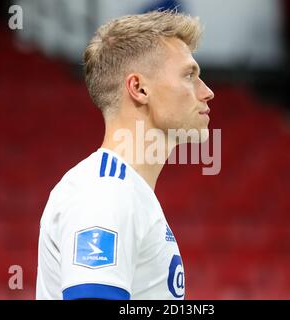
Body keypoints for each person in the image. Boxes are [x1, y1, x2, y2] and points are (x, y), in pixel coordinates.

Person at [36, 10, 214, 300]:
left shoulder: (124, 191)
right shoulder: (106, 193)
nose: (207, 92)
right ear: (139, 88)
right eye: (189, 75)